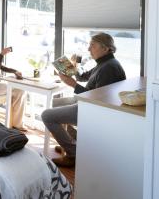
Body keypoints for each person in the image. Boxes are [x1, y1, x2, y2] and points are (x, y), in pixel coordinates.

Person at [41, 32, 126, 167]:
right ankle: (72, 145)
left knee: (46, 115)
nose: (88, 49)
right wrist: (71, 68)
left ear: (105, 48)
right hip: (87, 103)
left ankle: (73, 154)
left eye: (92, 45)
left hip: (94, 110)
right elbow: (83, 77)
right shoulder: (103, 63)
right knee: (56, 103)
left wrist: (72, 84)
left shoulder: (109, 68)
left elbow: (96, 101)